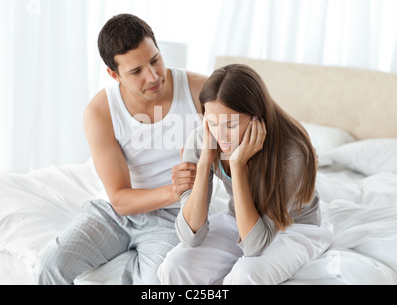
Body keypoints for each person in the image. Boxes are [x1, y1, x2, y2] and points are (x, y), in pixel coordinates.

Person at [36, 14, 207, 285]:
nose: (153, 77)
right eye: (136, 71)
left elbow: (260, 119)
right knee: (50, 265)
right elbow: (120, 200)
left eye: (155, 60)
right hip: (118, 215)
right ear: (114, 75)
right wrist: (174, 188)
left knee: (157, 282)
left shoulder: (199, 90)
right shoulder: (100, 111)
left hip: (172, 217)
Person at [157, 64, 333, 285]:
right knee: (176, 265)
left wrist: (238, 166)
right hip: (239, 218)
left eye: (230, 125)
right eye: (211, 123)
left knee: (245, 276)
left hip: (295, 227)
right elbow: (190, 237)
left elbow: (254, 246)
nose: (220, 136)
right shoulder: (204, 139)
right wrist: (204, 164)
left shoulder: (291, 153)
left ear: (257, 118)